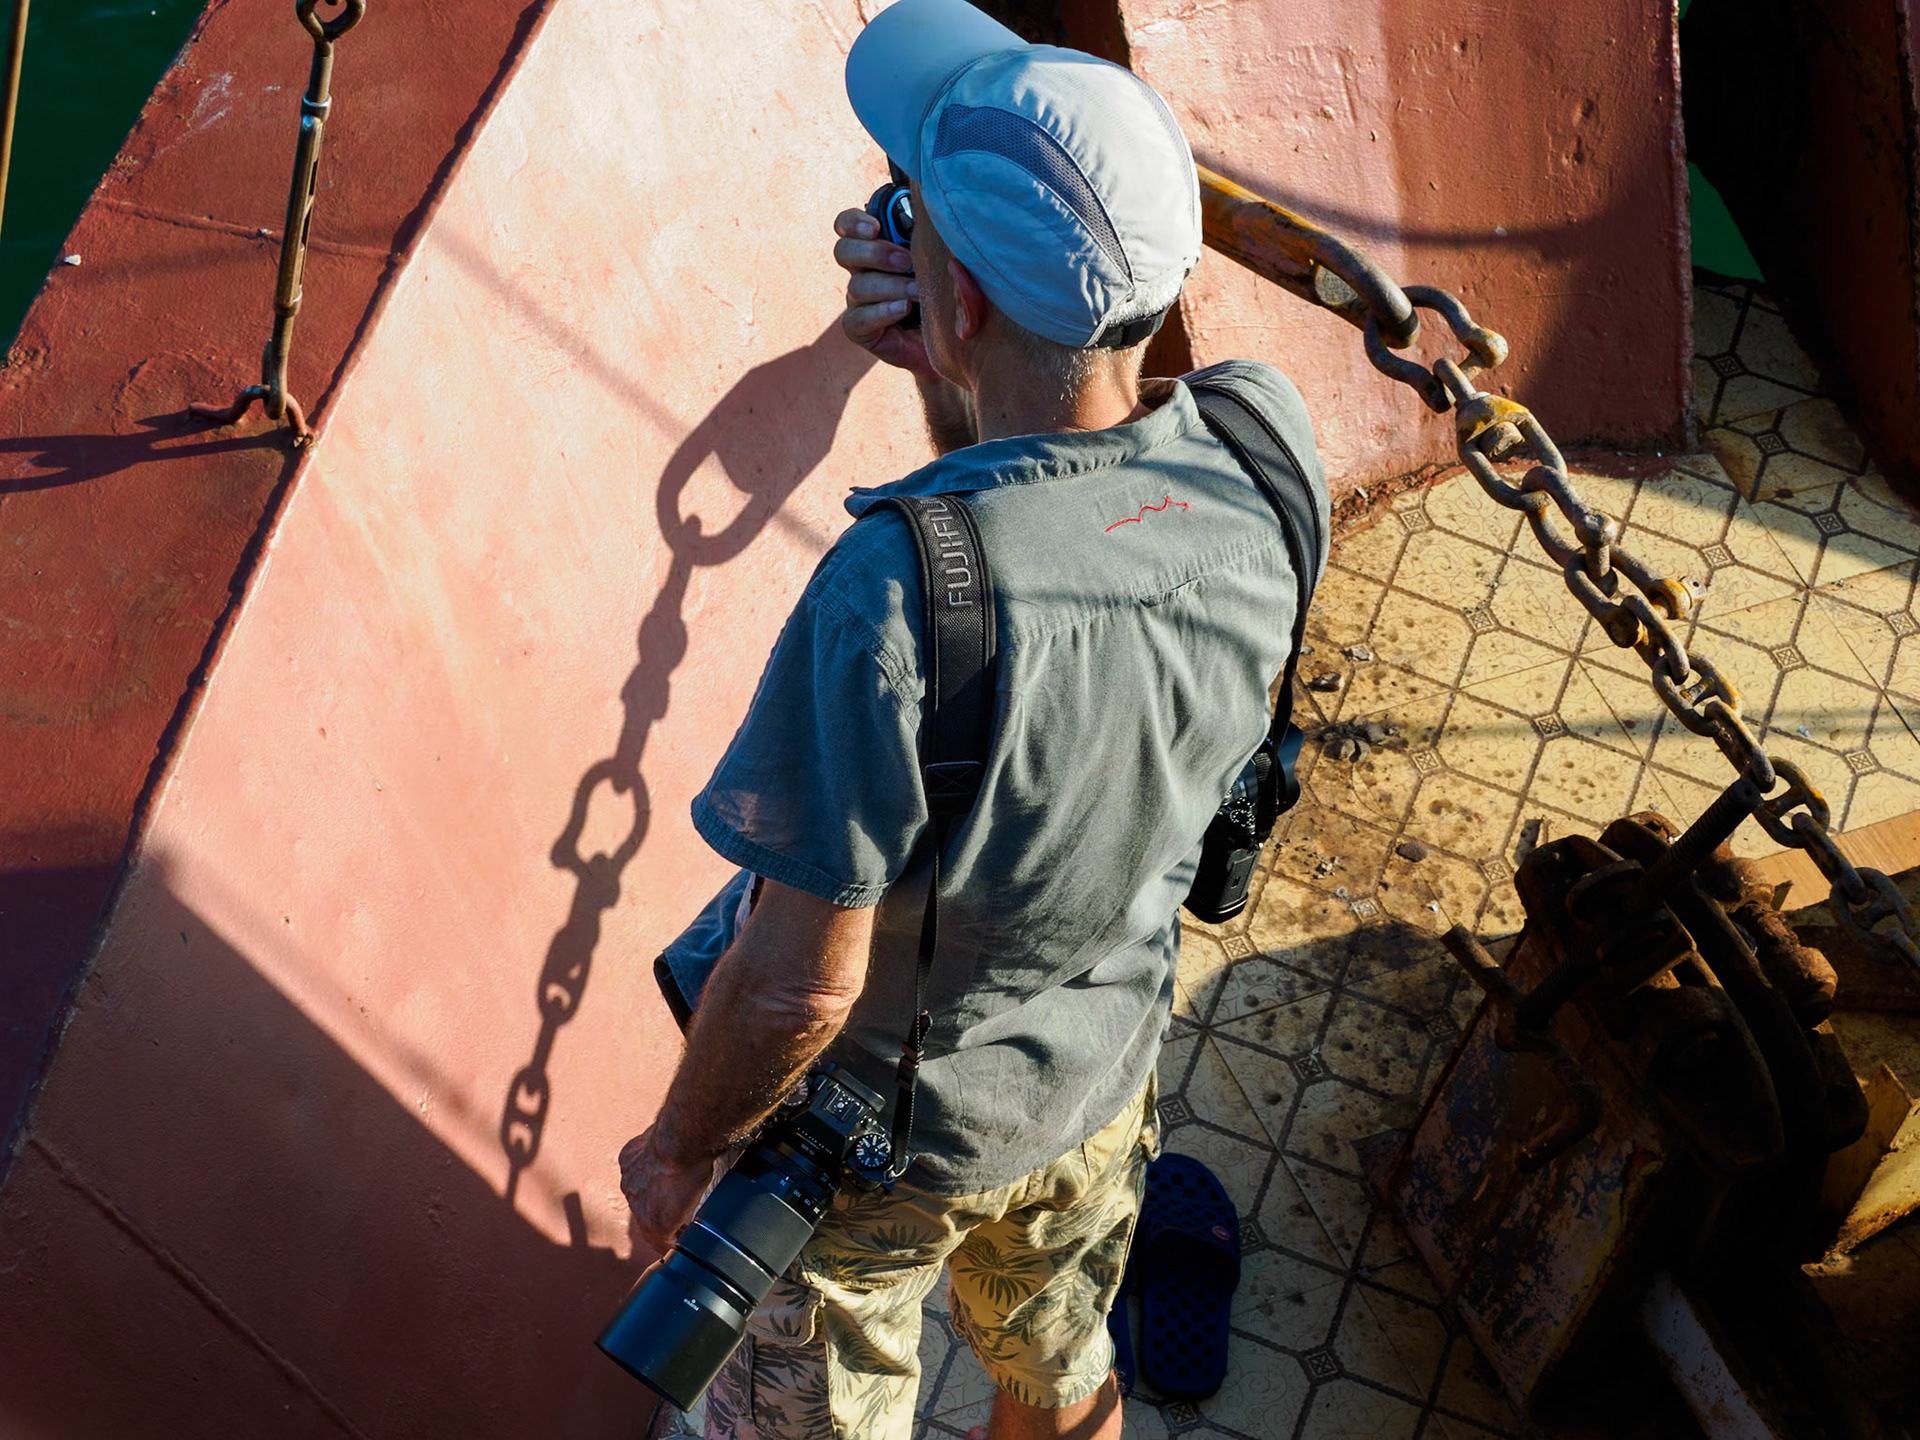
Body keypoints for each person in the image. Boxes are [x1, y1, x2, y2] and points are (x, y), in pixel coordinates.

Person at [617, 1, 1329, 1436]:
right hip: (1094, 1079)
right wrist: (959, 370)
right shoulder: (1265, 436)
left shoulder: (890, 600)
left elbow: (798, 985)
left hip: (877, 1156)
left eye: (910, 218)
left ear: (967, 300)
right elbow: (1070, 508)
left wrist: (675, 1154)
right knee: (1064, 1380)